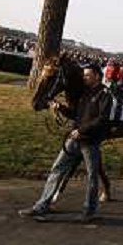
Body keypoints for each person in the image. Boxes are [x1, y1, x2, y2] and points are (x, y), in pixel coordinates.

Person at [18, 64, 113, 222]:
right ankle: (42, 205)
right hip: (74, 139)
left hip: (89, 142)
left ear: (97, 76)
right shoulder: (85, 93)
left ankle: (89, 211)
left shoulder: (105, 95)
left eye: (88, 75)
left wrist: (82, 131)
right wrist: (60, 108)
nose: (85, 78)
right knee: (57, 168)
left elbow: (102, 119)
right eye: (84, 75)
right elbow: (76, 114)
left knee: (92, 176)